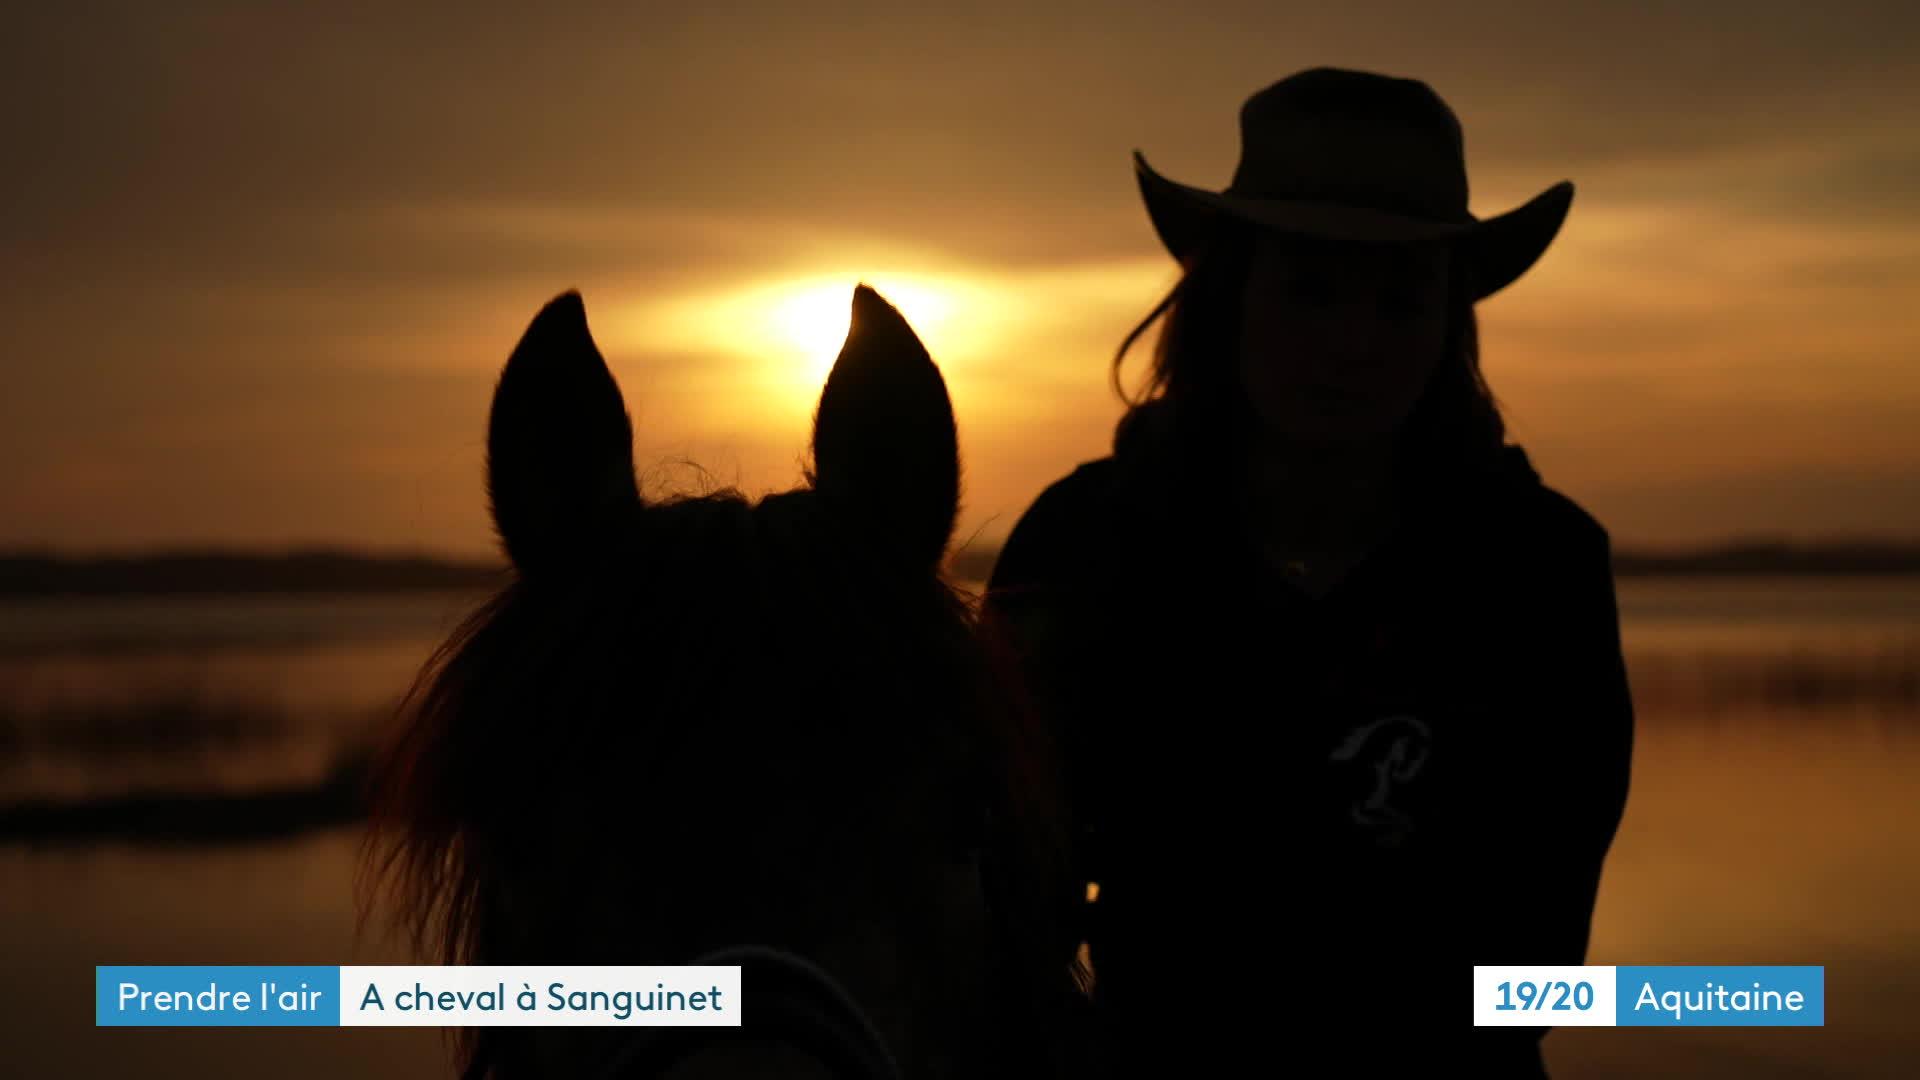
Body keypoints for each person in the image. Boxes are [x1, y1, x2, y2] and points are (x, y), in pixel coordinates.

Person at [982, 67, 1635, 1077]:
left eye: (1397, 301)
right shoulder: (1083, 547)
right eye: (1311, 290)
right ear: (1231, 295)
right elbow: (1001, 896)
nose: (1350, 344)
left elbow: (1539, 960)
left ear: (1446, 325)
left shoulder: (1539, 570)